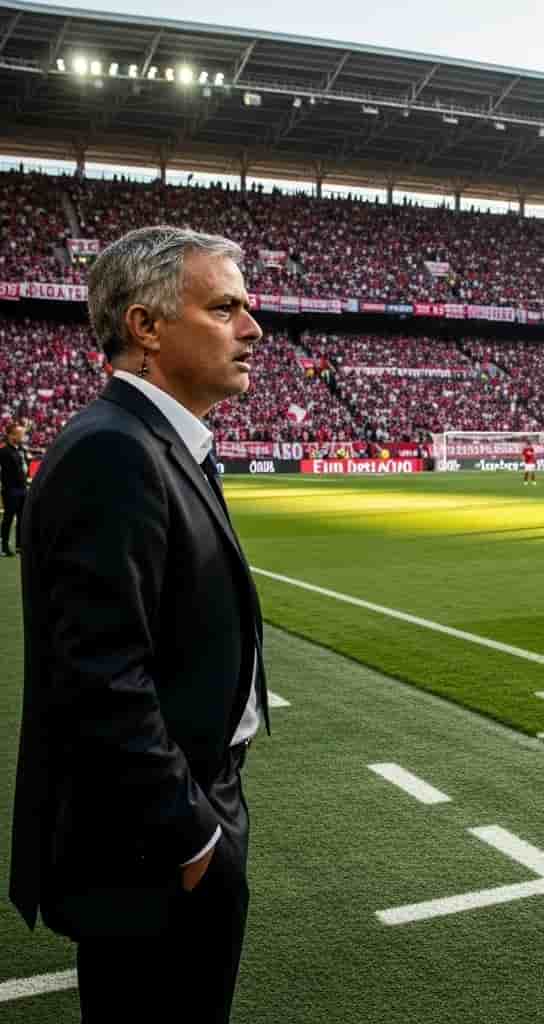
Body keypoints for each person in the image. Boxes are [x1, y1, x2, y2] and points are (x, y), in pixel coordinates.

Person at [9, 226, 270, 1024]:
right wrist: (194, 841)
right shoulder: (115, 452)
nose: (254, 328)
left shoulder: (155, 441)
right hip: (154, 846)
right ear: (145, 327)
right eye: (225, 307)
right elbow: (100, 677)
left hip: (185, 813)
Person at [0, 421, 30, 556]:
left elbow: (24, 469)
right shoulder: (4, 451)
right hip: (11, 490)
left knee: (22, 519)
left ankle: (19, 546)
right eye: (20, 434)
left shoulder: (22, 450)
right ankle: (4, 546)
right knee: (8, 518)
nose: (23, 437)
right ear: (12, 436)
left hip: (22, 489)